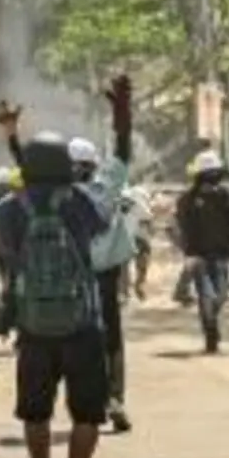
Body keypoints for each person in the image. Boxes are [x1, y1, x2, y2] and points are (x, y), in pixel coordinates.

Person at [0, 82, 124, 458]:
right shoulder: (82, 203)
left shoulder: (10, 210)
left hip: (33, 328)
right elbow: (118, 171)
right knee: (87, 414)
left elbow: (13, 238)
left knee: (36, 414)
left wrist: (13, 138)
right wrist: (123, 117)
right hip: (83, 325)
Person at [67, 120, 135, 434]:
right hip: (104, 276)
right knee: (111, 339)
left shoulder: (60, 196)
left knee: (80, 339)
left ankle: (96, 400)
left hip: (77, 278)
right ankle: (114, 399)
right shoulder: (106, 188)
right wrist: (123, 119)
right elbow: (122, 156)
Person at [176, 151, 229, 353]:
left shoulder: (223, 196)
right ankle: (210, 333)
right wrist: (187, 250)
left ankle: (212, 321)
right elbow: (183, 226)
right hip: (198, 254)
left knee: (220, 295)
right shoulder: (187, 199)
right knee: (206, 295)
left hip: (221, 252)